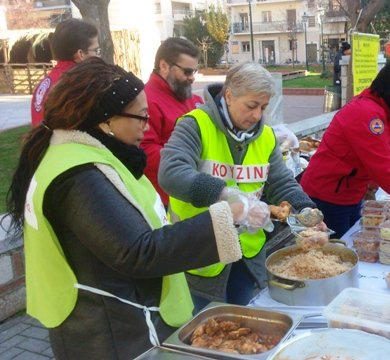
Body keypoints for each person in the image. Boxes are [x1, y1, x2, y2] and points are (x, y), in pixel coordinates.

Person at [4, 57, 271, 359]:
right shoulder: (79, 175)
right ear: (105, 120)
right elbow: (138, 252)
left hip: (113, 318)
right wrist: (230, 213)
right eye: (141, 117)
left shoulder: (87, 157)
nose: (147, 127)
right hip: (108, 330)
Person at [158, 62, 318, 309]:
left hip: (247, 257)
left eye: (263, 107)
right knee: (204, 333)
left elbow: (281, 182)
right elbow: (171, 173)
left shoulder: (264, 136)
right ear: (229, 95)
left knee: (244, 327)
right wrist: (228, 197)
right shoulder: (195, 125)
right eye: (251, 106)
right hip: (201, 256)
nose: (257, 116)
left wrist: (307, 213)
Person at [300, 56, 390, 238]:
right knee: (338, 255)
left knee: (351, 245)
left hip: (348, 194)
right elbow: (385, 172)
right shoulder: (367, 113)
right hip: (328, 197)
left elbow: (386, 146)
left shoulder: (379, 109)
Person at [140, 37, 203, 206]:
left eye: (194, 72)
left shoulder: (189, 97)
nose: (192, 78)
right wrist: (189, 162)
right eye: (187, 72)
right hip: (167, 197)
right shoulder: (145, 101)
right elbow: (145, 151)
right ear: (164, 66)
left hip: (192, 187)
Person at [31, 18, 99, 127]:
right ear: (81, 54)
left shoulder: (44, 84)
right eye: (96, 51)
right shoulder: (81, 84)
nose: (98, 56)